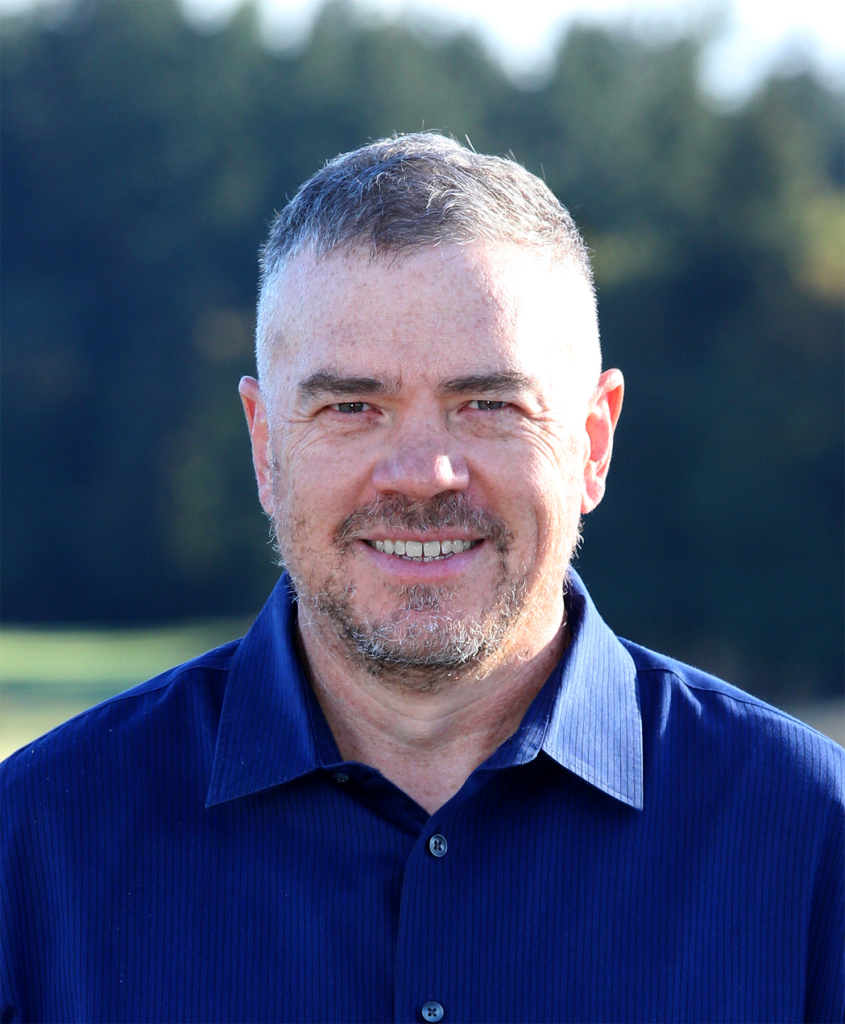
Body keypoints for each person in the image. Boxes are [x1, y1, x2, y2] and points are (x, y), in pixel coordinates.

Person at [1, 133, 842, 1024]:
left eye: (487, 405)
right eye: (351, 407)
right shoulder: (35, 852)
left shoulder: (809, 843)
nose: (421, 472)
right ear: (263, 446)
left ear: (592, 440)